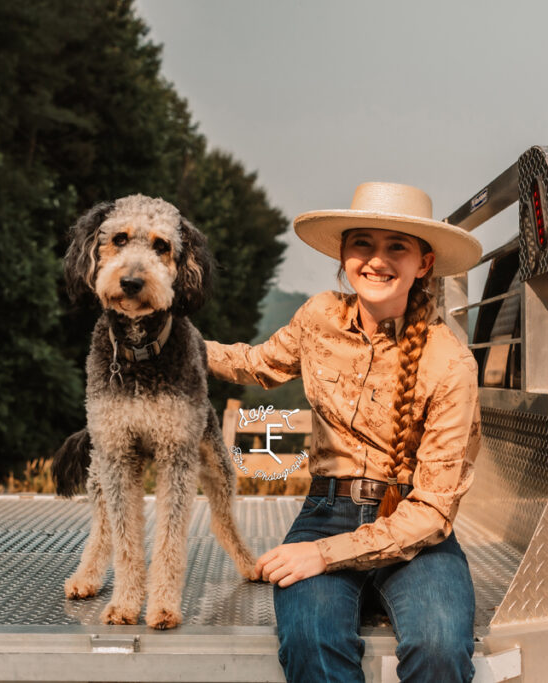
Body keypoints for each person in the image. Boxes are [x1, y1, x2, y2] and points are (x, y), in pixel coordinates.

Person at [205, 181, 482, 682]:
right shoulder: (318, 318)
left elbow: (434, 510)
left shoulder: (450, 363)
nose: (377, 260)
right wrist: (181, 344)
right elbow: (257, 364)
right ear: (343, 253)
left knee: (439, 645)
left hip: (415, 522)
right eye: (363, 244)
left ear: (423, 263)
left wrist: (320, 555)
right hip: (326, 510)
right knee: (312, 639)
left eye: (396, 245)